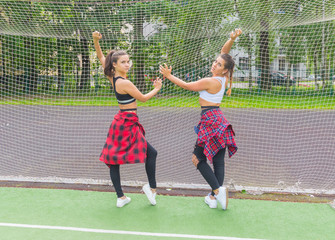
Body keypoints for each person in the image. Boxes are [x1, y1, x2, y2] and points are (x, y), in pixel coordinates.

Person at [159, 29, 241, 210]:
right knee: (218, 159)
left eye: (219, 65)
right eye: (215, 62)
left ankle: (218, 192)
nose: (215, 65)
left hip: (210, 119)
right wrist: (231, 39)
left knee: (197, 158)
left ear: (225, 70)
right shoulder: (224, 79)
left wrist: (168, 76)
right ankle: (213, 197)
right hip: (218, 118)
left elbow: (187, 86)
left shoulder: (211, 81)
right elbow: (224, 51)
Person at [93, 31, 162, 208]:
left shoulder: (113, 77)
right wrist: (157, 88)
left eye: (128, 61)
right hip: (127, 123)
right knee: (151, 153)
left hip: (121, 122)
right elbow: (144, 98)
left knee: (114, 159)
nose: (127, 64)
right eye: (123, 62)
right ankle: (151, 188)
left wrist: (95, 40)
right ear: (115, 65)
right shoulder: (125, 83)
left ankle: (121, 197)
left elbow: (101, 57)